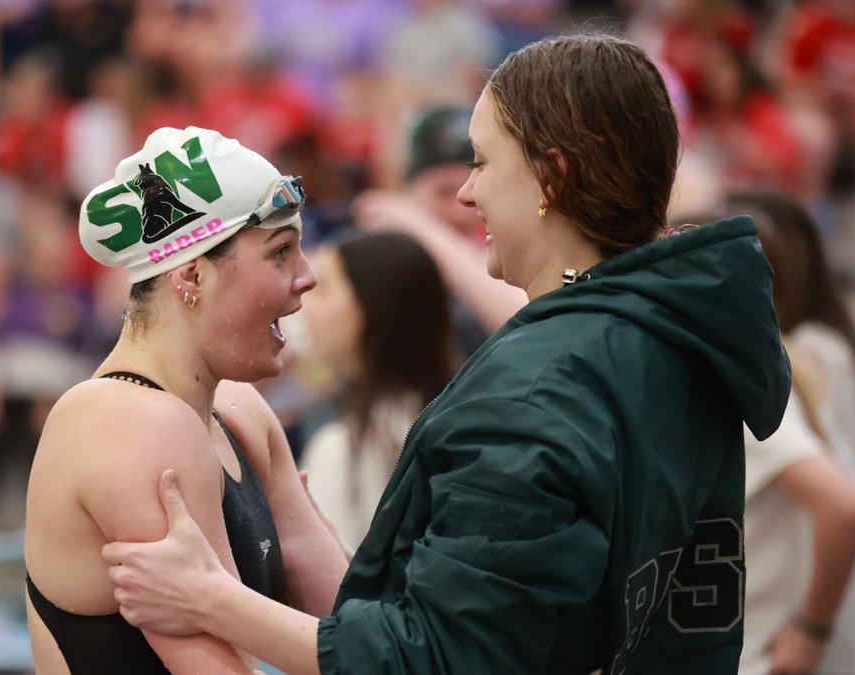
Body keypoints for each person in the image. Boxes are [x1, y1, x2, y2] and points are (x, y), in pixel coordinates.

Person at [101, 32, 792, 674]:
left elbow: (437, 658)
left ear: (553, 177)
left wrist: (209, 598)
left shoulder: (538, 393)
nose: (467, 191)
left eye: (483, 161)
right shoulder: (675, 336)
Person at [23, 126, 348, 674]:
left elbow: (363, 629)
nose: (307, 277)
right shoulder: (128, 423)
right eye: (281, 253)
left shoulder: (240, 411)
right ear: (192, 274)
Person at [723, 189, 855, 675]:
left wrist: (810, 630)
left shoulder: (756, 388)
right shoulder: (819, 349)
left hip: (767, 652)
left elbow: (843, 505)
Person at [298, 230, 457, 549]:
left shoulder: (344, 450)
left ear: (371, 304)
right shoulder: (459, 415)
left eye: (324, 289)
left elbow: (335, 587)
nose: (305, 307)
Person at [352, 105, 526, 342]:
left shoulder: (507, 255)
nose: (462, 208)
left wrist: (425, 231)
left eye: (475, 187)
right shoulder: (385, 257)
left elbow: (526, 325)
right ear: (408, 192)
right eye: (443, 192)